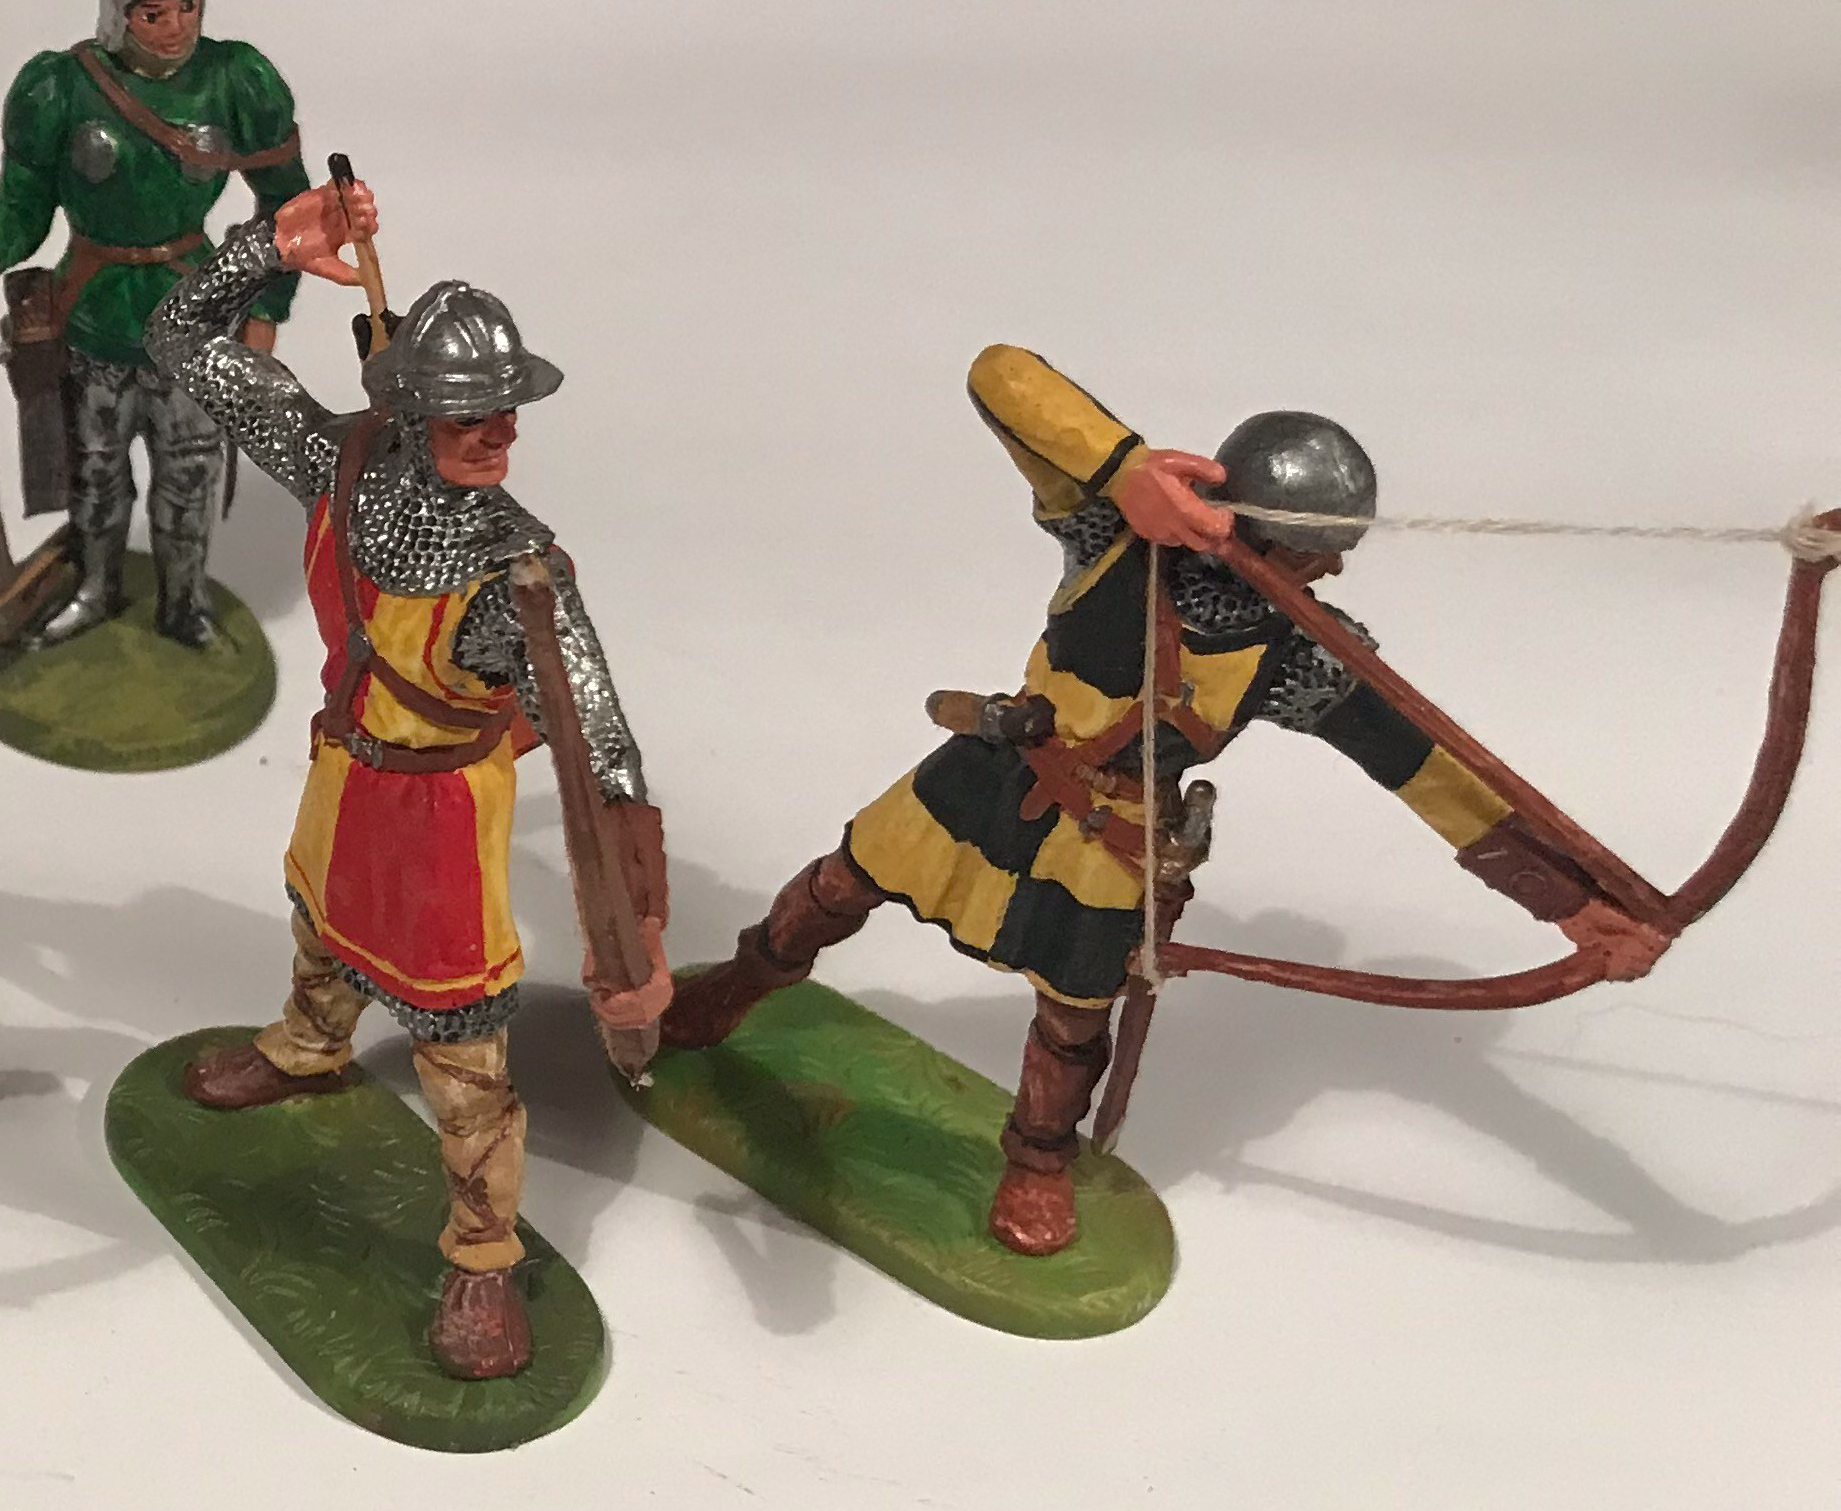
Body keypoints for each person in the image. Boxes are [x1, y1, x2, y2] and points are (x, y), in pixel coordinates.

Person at [658, 345, 1671, 1253]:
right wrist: (1129, 471)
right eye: (1314, 549)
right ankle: (739, 985)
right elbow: (1000, 376)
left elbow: (1427, 769)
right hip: (996, 767)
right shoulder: (1109, 531)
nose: (1333, 566)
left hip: (1116, 835)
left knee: (1072, 1018)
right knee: (842, 884)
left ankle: (1038, 1162)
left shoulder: (1300, 650)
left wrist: (1571, 905)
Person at [139, 177, 669, 1379]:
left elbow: (599, 740)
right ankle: (308, 1045)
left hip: (444, 816)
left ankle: (482, 1256)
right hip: (349, 768)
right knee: (320, 919)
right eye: (472, 413)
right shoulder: (340, 461)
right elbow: (178, 338)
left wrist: (634, 916)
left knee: (462, 1053)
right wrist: (267, 246)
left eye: (508, 410)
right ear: (412, 406)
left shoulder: (519, 570)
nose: (501, 433)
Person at [0, 0, 309, 645]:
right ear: (117, 11)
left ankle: (184, 603)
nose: (175, 28)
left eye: (188, 6)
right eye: (152, 13)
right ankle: (96, 589)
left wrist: (266, 308)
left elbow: (288, 207)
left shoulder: (236, 81)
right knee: (95, 479)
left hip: (196, 321)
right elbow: (22, 207)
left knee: (190, 478)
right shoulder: (60, 89)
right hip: (93, 317)